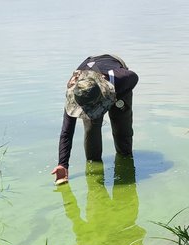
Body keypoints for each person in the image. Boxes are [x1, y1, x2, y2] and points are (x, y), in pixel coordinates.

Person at [51, 54, 139, 185]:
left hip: (116, 86)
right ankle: (94, 166)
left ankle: (125, 156)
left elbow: (134, 78)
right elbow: (66, 132)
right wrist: (63, 164)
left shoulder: (122, 78)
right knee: (91, 129)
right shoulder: (76, 93)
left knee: (122, 126)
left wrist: (115, 99)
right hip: (88, 85)